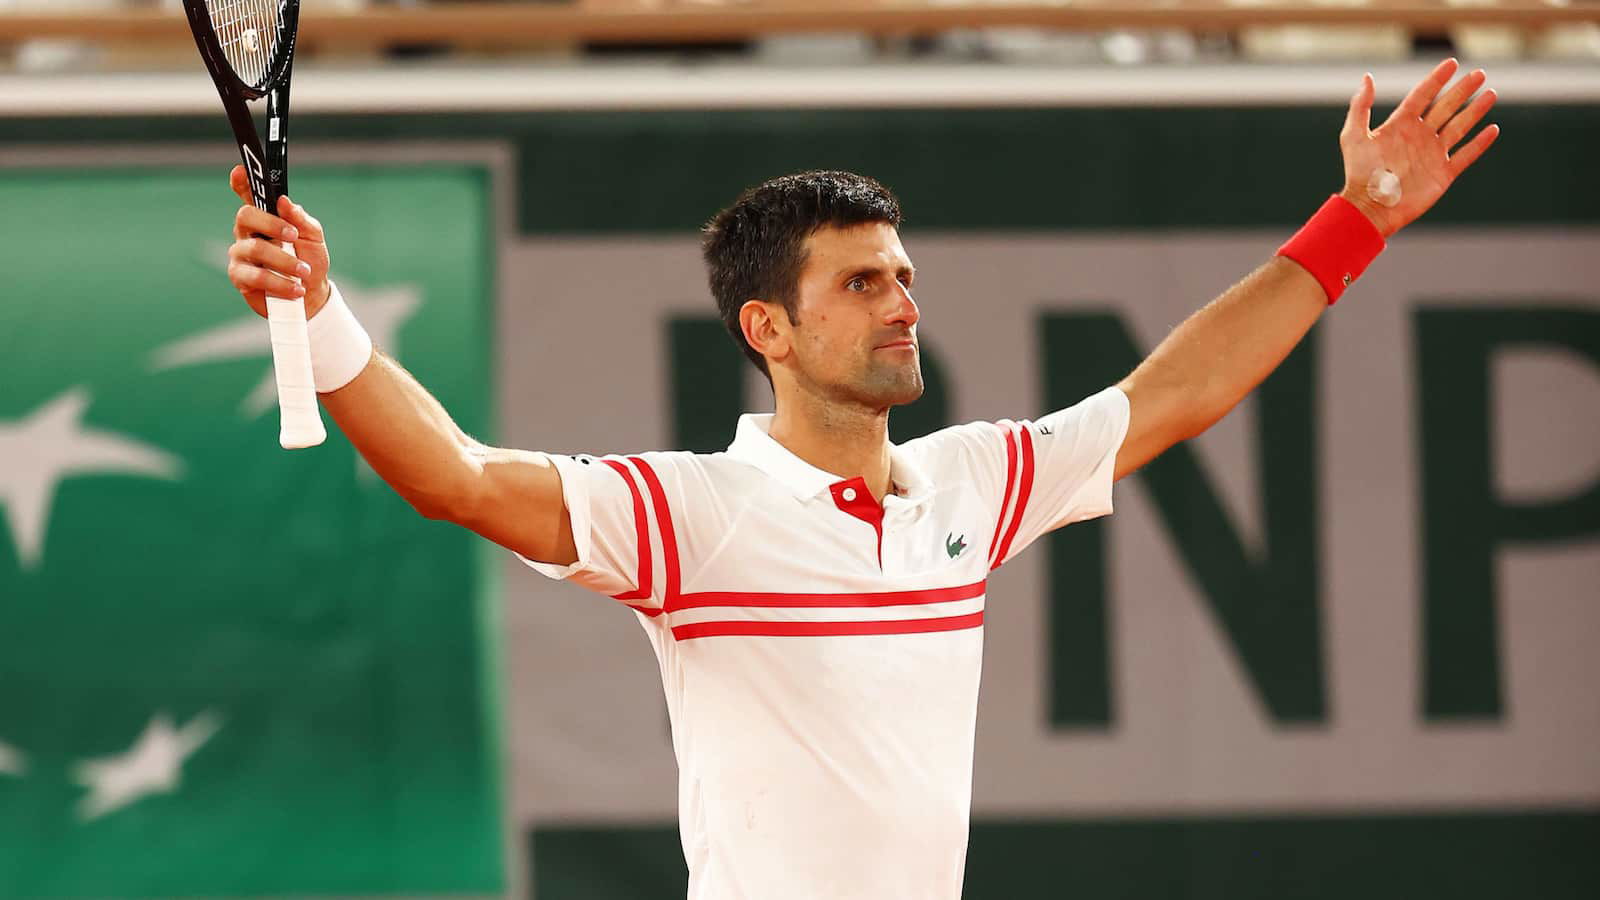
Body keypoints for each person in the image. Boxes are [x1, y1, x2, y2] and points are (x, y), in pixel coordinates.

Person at [223, 60, 1497, 900]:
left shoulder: (972, 486)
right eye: (860, 283)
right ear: (766, 331)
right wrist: (324, 317)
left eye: (902, 275)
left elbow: (1177, 391)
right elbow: (456, 476)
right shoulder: (693, 518)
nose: (904, 305)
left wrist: (1357, 224)